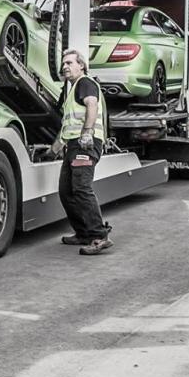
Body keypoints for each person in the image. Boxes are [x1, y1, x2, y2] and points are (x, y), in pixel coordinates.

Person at [50, 49, 112, 255]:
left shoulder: (85, 82)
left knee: (82, 188)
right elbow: (68, 125)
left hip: (85, 144)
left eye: (69, 63)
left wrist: (87, 133)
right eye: (63, 64)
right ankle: (84, 233)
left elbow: (92, 105)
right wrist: (54, 148)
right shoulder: (73, 89)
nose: (65, 67)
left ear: (81, 65)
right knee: (66, 191)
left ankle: (99, 236)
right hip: (73, 145)